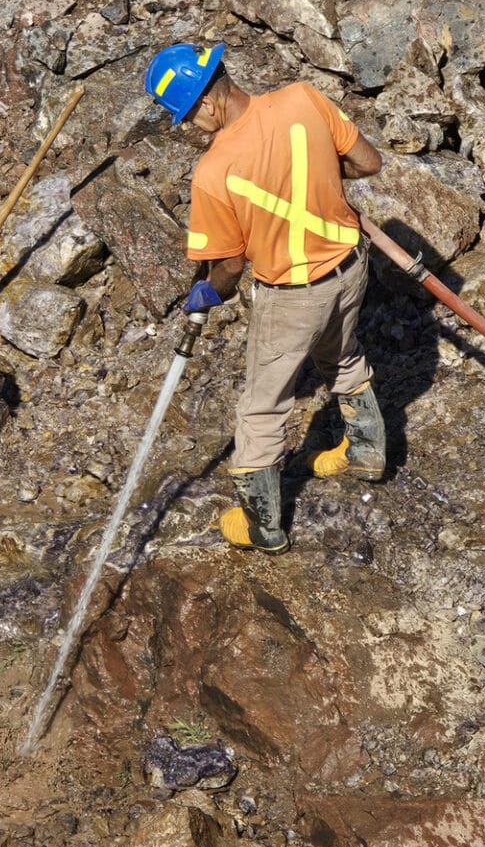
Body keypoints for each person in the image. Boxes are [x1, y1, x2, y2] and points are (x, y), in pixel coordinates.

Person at [146, 42, 385, 553]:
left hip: (292, 295)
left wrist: (210, 293)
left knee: (261, 408)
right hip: (350, 266)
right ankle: (367, 451)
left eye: (187, 116)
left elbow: (230, 264)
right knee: (341, 352)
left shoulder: (213, 173)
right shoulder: (304, 98)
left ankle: (263, 526)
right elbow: (368, 163)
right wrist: (317, 181)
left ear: (209, 102)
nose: (189, 127)